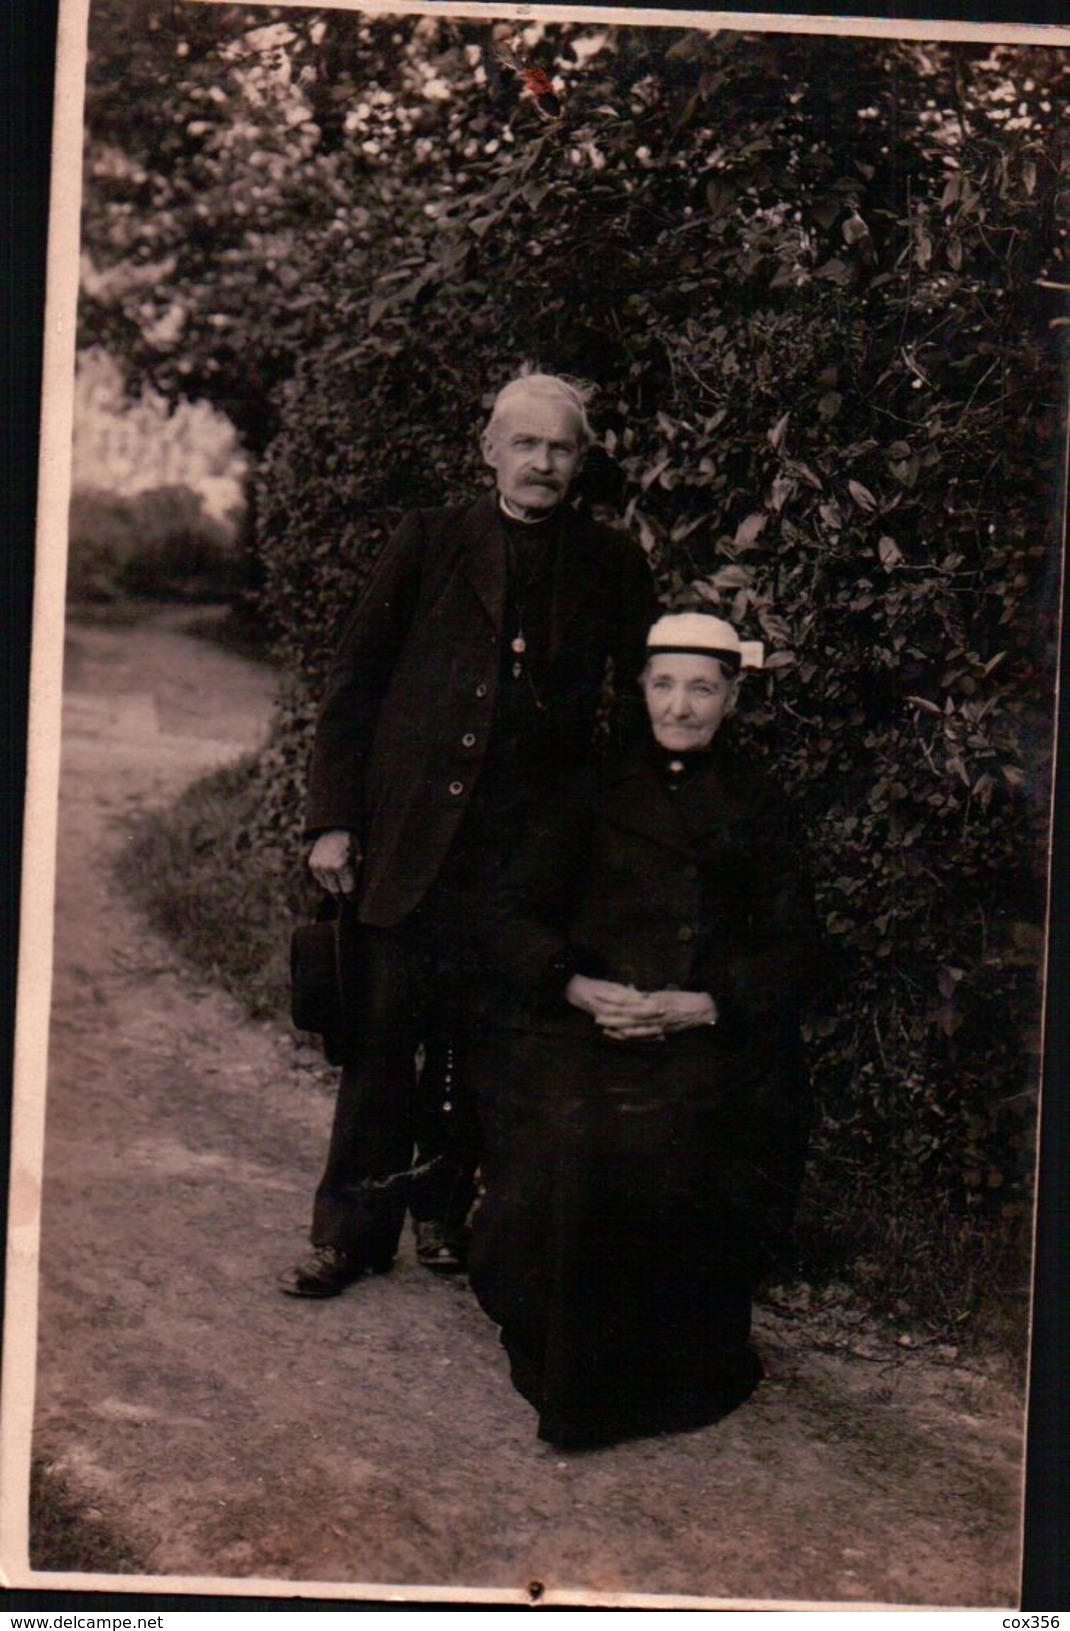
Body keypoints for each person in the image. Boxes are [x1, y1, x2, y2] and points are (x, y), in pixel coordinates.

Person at [279, 370, 659, 1298]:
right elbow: (354, 683)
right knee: (381, 1044)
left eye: (560, 447)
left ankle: (446, 1214)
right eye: (524, 443)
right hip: (413, 846)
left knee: (482, 1043)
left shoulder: (611, 564)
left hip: (528, 862)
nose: (542, 462)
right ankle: (350, 1232)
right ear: (488, 448)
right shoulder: (431, 541)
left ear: (582, 461)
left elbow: (644, 704)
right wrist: (333, 821)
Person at [468, 611, 823, 1448]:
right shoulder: (587, 785)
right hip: (582, 1023)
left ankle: (676, 1370)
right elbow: (507, 913)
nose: (681, 705)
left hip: (699, 1029)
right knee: (572, 1132)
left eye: (703, 687)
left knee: (688, 1138)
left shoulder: (762, 804)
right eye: (664, 684)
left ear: (733, 699)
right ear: (641, 691)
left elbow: (798, 946)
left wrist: (702, 1003)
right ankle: (570, 1370)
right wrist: (578, 986)